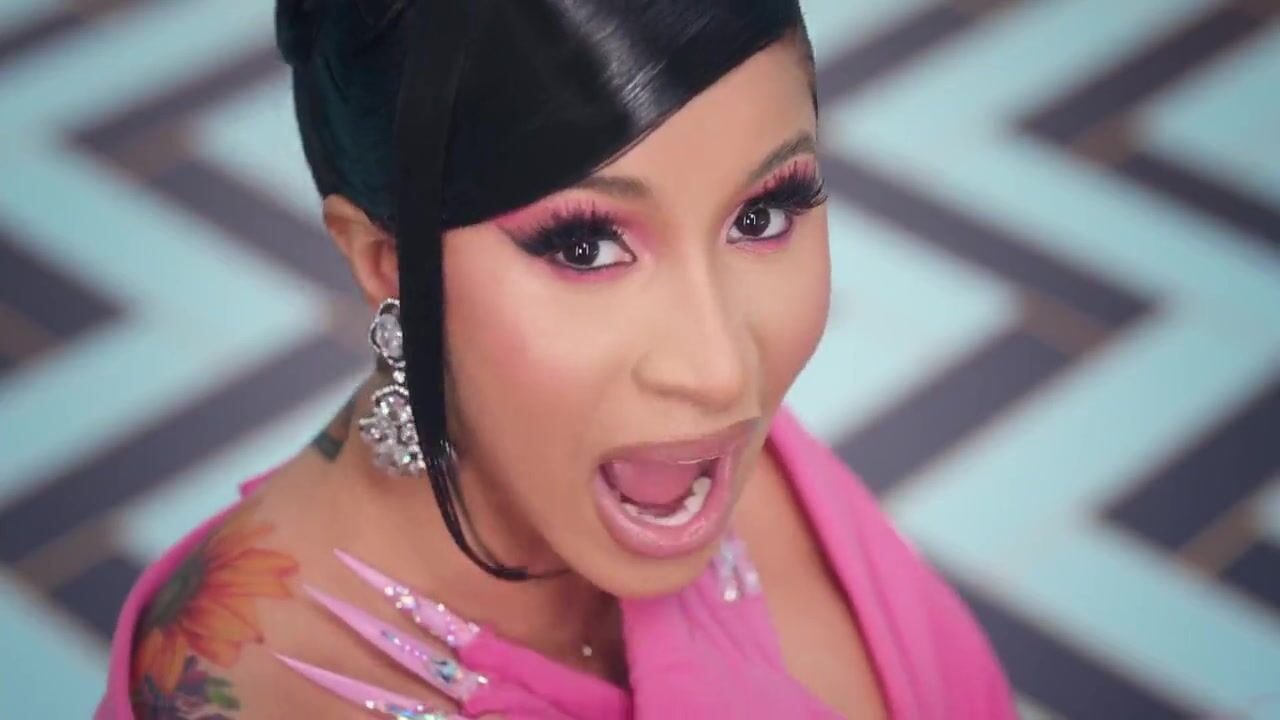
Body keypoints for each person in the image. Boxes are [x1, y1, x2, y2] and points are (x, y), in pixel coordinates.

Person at [97, 0, 1017, 717]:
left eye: (761, 214)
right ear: (389, 264)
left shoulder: (692, 453)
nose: (721, 372)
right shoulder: (240, 683)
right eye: (585, 246)